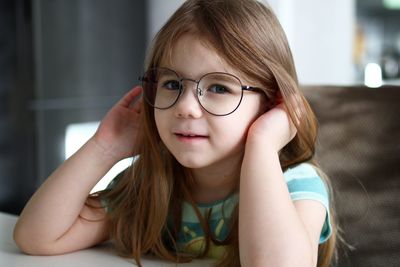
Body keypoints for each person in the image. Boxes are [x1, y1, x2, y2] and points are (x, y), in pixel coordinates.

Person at [13, 0, 338, 266]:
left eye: (219, 87)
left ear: (271, 105)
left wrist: (263, 145)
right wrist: (104, 147)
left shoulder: (297, 185)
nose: (185, 107)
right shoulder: (149, 186)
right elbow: (37, 237)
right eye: (172, 84)